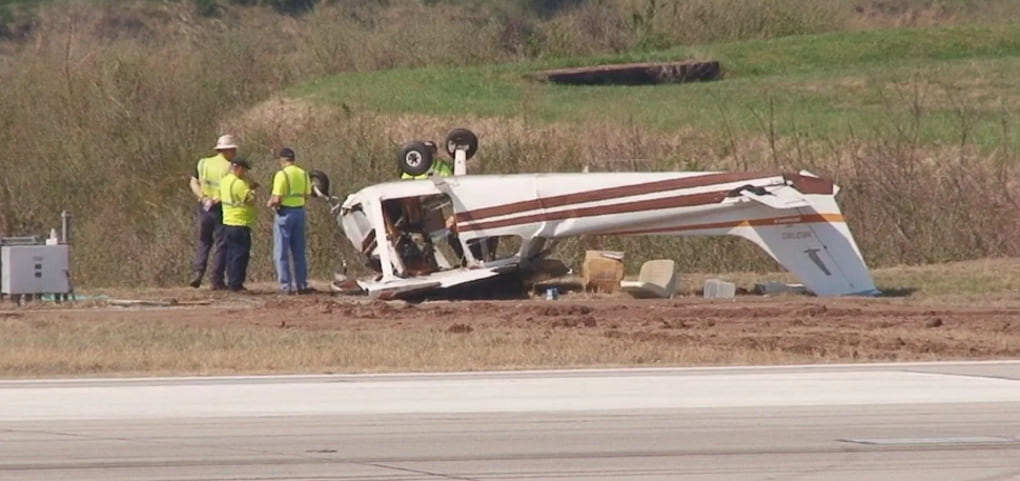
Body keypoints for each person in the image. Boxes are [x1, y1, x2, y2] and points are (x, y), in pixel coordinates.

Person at [188, 134, 237, 289]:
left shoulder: (203, 163)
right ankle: (216, 280)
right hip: (220, 208)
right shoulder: (230, 167)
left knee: (204, 241)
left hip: (204, 206)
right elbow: (231, 188)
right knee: (221, 244)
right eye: (233, 150)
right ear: (227, 150)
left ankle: (198, 273)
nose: (235, 153)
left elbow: (193, 182)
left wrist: (202, 197)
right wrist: (218, 199)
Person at [266, 147, 313, 295]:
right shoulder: (303, 174)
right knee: (299, 251)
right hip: (299, 212)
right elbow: (307, 195)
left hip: (284, 214)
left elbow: (277, 198)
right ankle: (302, 284)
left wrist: (269, 203)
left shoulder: (282, 175)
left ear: (282, 160)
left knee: (281, 252)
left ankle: (285, 286)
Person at [219, 157, 259, 292]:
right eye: (244, 170)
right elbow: (250, 201)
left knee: (230, 254)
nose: (245, 173)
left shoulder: (224, 181)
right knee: (240, 254)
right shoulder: (240, 184)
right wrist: (252, 191)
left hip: (227, 222)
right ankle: (236, 283)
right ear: (239, 168)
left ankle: (231, 281)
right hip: (240, 222)